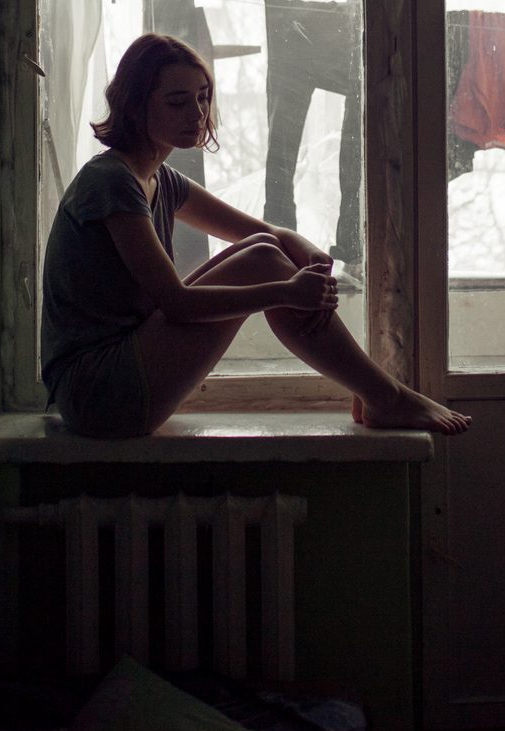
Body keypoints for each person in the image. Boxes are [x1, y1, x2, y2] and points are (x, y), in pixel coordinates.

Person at [41, 32, 471, 439]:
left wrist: (305, 250)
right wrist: (285, 292)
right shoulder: (112, 182)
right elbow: (176, 303)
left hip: (125, 372)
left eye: (203, 97)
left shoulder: (160, 179)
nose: (197, 113)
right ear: (135, 106)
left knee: (266, 250)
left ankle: (377, 393)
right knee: (263, 260)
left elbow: (263, 233)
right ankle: (384, 396)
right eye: (177, 102)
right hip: (97, 394)